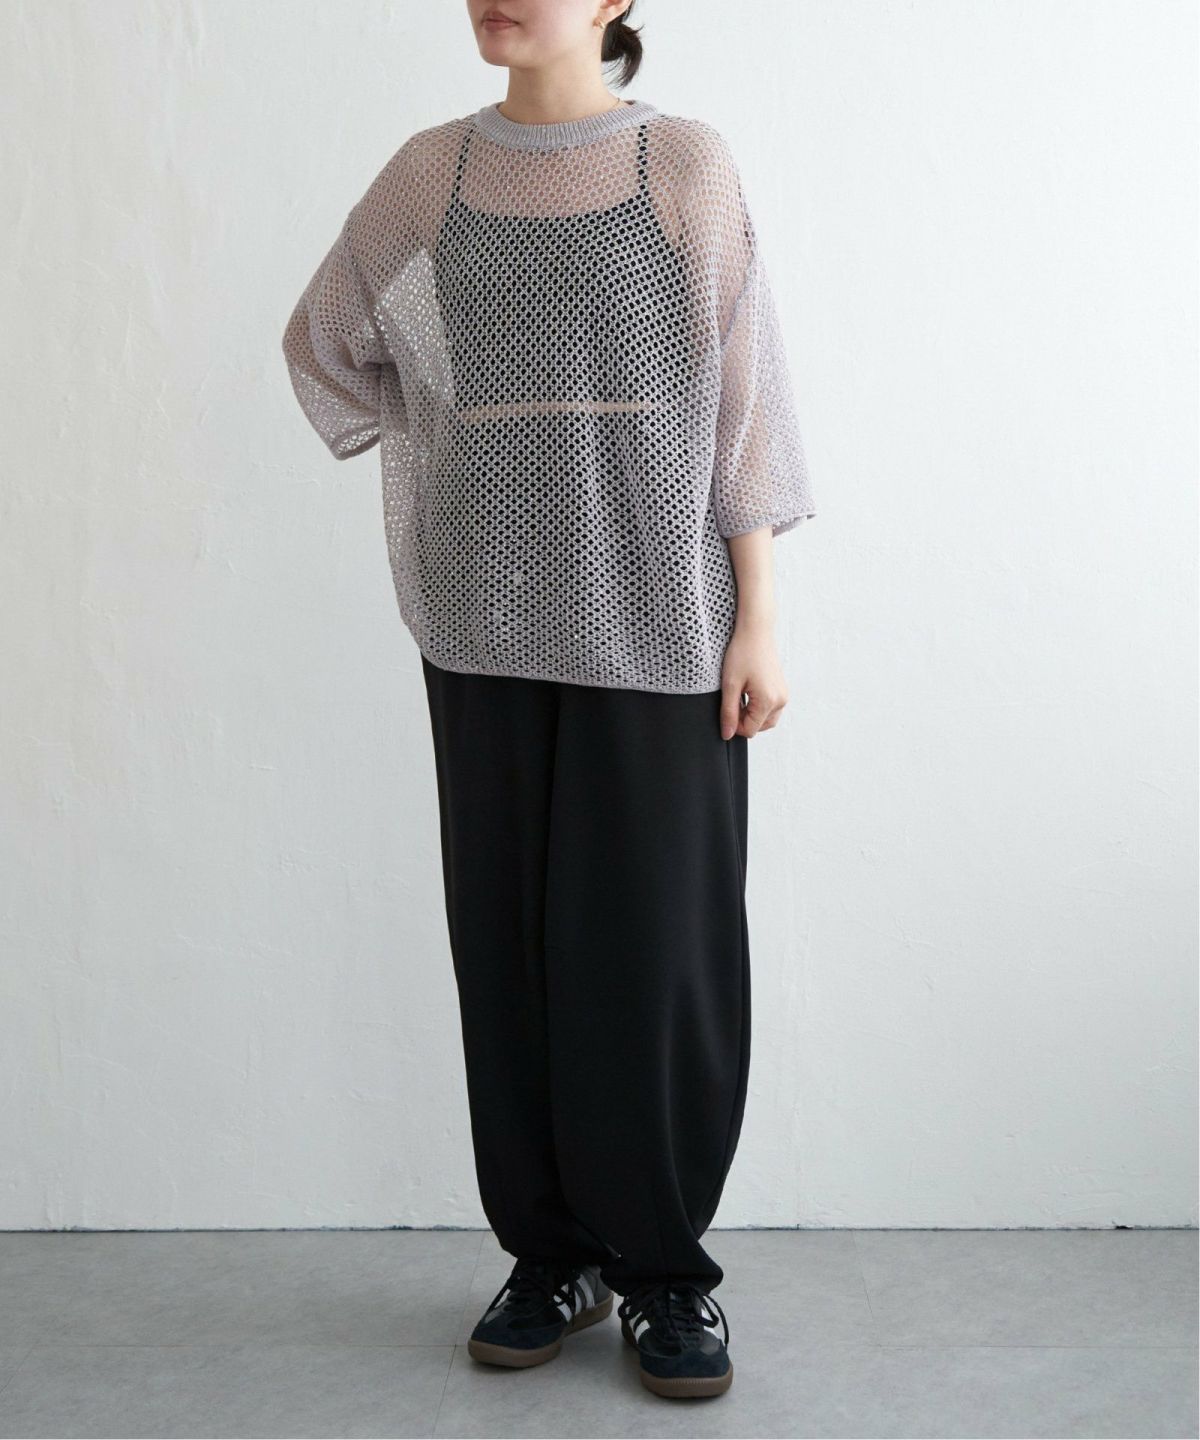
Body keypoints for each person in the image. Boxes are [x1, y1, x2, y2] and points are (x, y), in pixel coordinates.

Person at [281, 0, 816, 1401]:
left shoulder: (680, 165)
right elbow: (328, 341)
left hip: (662, 617)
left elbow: (742, 400)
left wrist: (759, 617)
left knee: (657, 952)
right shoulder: (432, 175)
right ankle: (552, 1255)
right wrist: (461, 437)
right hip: (487, 618)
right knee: (510, 946)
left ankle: (666, 1271)